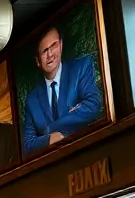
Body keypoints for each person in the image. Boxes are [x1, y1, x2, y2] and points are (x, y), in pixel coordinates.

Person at [22, 24, 102, 155]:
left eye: (54, 45)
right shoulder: (32, 101)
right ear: (37, 61)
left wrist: (48, 130)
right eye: (44, 51)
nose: (50, 54)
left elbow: (93, 105)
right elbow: (27, 145)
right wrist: (50, 138)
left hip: (89, 151)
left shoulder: (81, 68)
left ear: (61, 44)